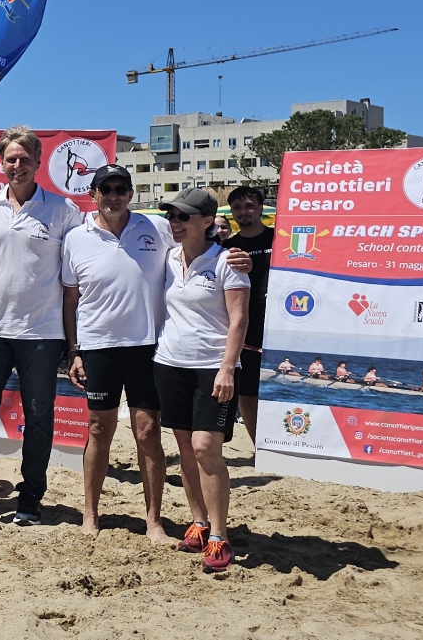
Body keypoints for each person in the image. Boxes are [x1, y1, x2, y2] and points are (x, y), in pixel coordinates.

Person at [0, 127, 84, 528]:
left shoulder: (63, 210)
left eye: (25, 159)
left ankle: (31, 497)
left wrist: (74, 340)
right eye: (11, 158)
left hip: (42, 332)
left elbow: (74, 279)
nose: (17, 165)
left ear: (38, 162)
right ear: (1, 163)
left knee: (39, 416)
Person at [60, 165, 174, 542]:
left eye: (120, 188)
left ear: (130, 193)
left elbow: (194, 251)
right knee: (98, 429)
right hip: (99, 347)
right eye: (105, 189)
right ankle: (90, 514)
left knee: (148, 432)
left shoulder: (156, 228)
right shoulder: (76, 238)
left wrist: (231, 254)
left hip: (148, 347)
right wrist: (74, 351)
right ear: (93, 194)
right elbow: (70, 299)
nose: (113, 195)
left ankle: (153, 521)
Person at [153, 186, 250, 573]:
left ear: (207, 221)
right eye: (171, 216)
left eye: (183, 216)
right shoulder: (168, 257)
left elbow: (239, 320)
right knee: (185, 448)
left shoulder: (227, 261)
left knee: (206, 447)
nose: (174, 222)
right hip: (169, 363)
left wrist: (227, 367)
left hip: (213, 367)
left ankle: (219, 536)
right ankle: (198, 522)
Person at [218, 186, 272, 439]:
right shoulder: (227, 248)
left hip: (281, 325)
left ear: (260, 208)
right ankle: (258, 447)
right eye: (237, 208)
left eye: (249, 206)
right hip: (245, 328)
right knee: (248, 393)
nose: (244, 212)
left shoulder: (279, 239)